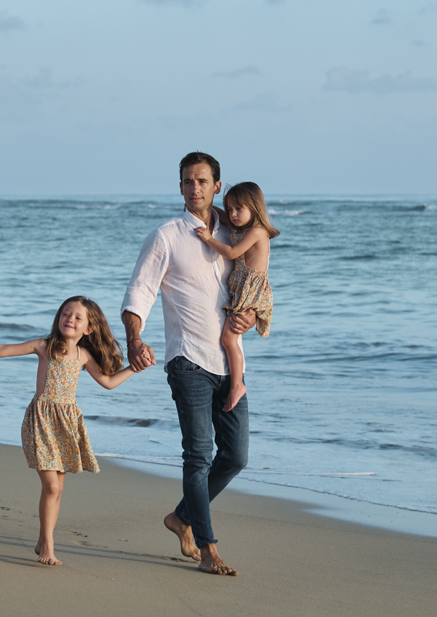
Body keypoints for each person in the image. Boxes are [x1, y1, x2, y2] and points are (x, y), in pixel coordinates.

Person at [121, 152, 257, 576]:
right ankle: (208, 547)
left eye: (201, 181)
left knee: (235, 456)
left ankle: (181, 517)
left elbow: (252, 285)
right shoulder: (166, 236)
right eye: (187, 181)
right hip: (188, 361)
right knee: (198, 456)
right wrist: (134, 339)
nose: (194, 188)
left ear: (217, 185)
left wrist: (252, 316)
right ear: (179, 187)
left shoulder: (237, 232)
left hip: (230, 364)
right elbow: (139, 292)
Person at [0, 296, 136, 566]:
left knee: (58, 489)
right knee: (51, 485)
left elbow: (108, 382)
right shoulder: (45, 346)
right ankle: (48, 544)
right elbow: (2, 349)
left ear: (89, 329)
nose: (70, 319)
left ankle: (43, 540)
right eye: (66, 313)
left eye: (77, 317)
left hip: (66, 424)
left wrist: (134, 368)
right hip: (41, 421)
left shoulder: (83, 355)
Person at [193, 181, 279, 413]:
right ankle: (235, 382)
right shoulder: (244, 229)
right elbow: (223, 216)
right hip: (244, 289)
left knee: (229, 339)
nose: (232, 214)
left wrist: (208, 238)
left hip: (251, 292)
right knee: (229, 338)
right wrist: (208, 207)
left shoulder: (256, 232)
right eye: (229, 208)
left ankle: (237, 385)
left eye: (238, 208)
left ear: (254, 207)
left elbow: (232, 253)